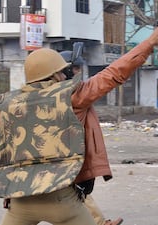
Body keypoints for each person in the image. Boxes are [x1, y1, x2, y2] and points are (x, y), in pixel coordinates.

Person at [0, 23, 158, 225]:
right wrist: (149, 43)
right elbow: (114, 73)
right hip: (61, 199)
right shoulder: (73, 96)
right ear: (53, 75)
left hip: (19, 201)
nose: (65, 76)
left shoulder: (10, 105)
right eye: (62, 72)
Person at [59, 49, 122, 225]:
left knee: (76, 192)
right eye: (76, 68)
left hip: (65, 154)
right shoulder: (74, 96)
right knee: (72, 193)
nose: (79, 72)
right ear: (65, 70)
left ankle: (100, 222)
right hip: (58, 155)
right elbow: (113, 74)